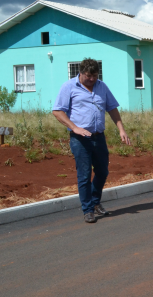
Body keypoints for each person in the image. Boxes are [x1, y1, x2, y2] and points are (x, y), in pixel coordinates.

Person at [52, 58, 131, 223]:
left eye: (95, 75)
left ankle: (95, 202)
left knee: (103, 171)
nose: (92, 79)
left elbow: (112, 109)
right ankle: (88, 209)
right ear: (80, 73)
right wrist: (74, 127)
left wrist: (121, 129)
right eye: (89, 76)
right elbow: (58, 111)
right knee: (84, 174)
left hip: (98, 137)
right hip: (79, 139)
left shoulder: (102, 86)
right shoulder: (69, 87)